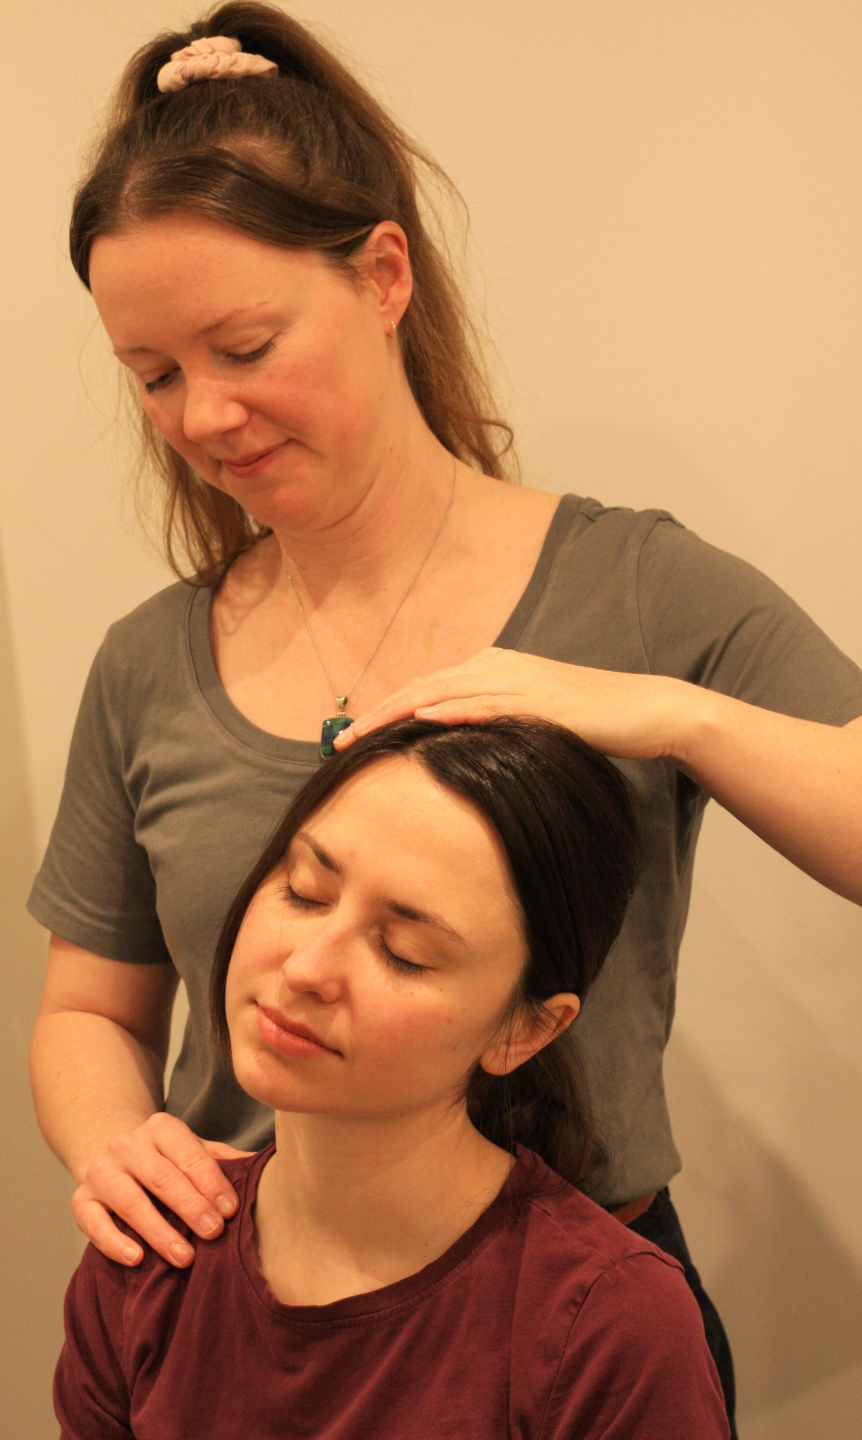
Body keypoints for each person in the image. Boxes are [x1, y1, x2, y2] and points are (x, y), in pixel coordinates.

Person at [26, 6, 862, 1436]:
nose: (203, 415)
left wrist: (671, 714)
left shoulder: (637, 587)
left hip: (554, 1338)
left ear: (383, 276)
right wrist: (114, 1145)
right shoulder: (150, 662)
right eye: (154, 374)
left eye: (244, 345)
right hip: (242, 1314)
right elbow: (89, 1010)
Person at [54, 717, 730, 1439]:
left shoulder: (612, 1329)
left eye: (405, 952)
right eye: (304, 892)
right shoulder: (149, 1257)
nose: (306, 968)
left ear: (525, 1030)